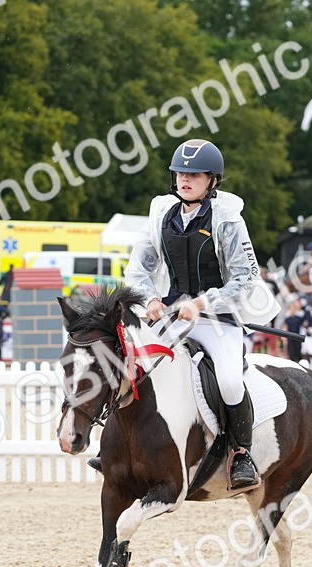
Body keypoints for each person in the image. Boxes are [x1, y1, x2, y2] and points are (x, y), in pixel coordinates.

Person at [102, 138, 273, 491]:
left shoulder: (227, 219)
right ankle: (119, 447)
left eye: (194, 174)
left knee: (227, 379)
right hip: (168, 316)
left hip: (215, 318)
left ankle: (242, 454)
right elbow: (138, 268)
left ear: (212, 180)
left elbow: (246, 277)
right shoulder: (161, 215)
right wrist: (149, 299)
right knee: (132, 368)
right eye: (180, 172)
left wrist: (201, 303)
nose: (185, 179)